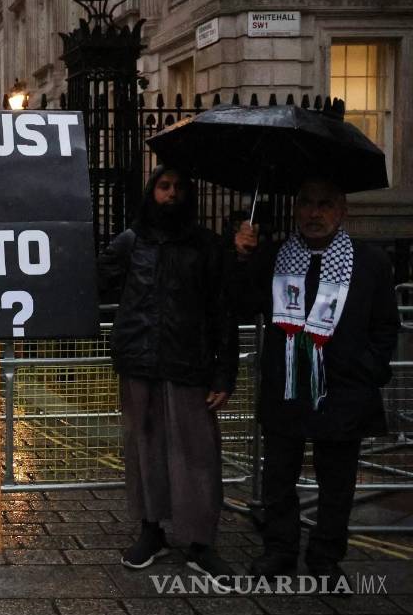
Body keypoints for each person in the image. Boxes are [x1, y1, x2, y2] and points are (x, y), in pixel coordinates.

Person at [233, 178, 398, 583]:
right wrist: (242, 258)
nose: (313, 213)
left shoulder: (370, 262)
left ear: (342, 210)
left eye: (324, 204)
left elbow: (385, 327)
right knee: (278, 479)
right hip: (287, 388)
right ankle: (280, 551)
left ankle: (326, 557)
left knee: (337, 484)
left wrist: (366, 368)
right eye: (305, 203)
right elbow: (240, 303)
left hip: (343, 391)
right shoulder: (274, 256)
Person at [98, 166, 239, 585]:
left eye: (179, 187)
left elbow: (224, 313)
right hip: (140, 362)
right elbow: (97, 282)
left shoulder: (207, 247)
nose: (171, 194)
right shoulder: (130, 242)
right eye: (164, 186)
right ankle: (151, 530)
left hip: (189, 364)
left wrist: (224, 373)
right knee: (144, 452)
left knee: (197, 456)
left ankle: (200, 543)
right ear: (151, 191)